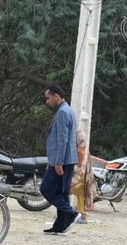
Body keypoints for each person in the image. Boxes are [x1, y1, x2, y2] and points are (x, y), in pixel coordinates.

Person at [40, 84, 80, 234]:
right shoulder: (67, 110)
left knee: (46, 189)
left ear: (56, 96)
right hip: (66, 159)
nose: (47, 101)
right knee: (61, 192)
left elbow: (62, 140)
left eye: (48, 98)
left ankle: (70, 212)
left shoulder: (63, 112)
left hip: (62, 160)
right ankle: (60, 226)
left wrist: (57, 162)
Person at [70, 128, 98, 224]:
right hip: (82, 171)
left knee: (78, 192)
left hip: (81, 172)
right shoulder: (83, 149)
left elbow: (80, 159)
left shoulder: (81, 150)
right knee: (79, 192)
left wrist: (77, 169)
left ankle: (82, 215)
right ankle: (75, 213)